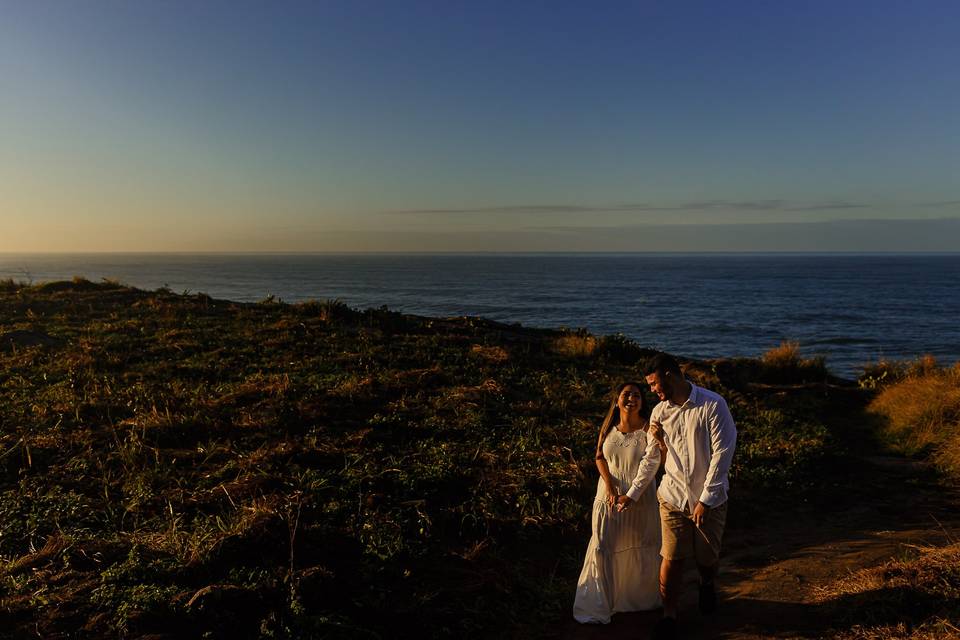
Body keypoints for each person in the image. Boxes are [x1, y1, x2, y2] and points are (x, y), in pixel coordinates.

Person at [619, 353, 737, 640]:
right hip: (671, 496)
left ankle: (707, 582)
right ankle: (669, 615)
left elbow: (723, 454)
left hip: (709, 498)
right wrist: (633, 493)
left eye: (654, 384)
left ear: (670, 375)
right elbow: (652, 457)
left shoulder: (713, 404)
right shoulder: (659, 412)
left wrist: (705, 499)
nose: (652, 391)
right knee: (671, 558)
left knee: (706, 557)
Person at [573, 382, 663, 624]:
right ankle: (605, 601)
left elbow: (658, 461)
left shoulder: (649, 428)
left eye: (636, 395)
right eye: (626, 394)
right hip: (608, 494)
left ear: (643, 402)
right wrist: (610, 485)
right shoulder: (608, 426)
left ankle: (637, 599)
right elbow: (599, 457)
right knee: (604, 544)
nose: (631, 398)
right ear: (617, 399)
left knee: (639, 543)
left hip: (640, 496)